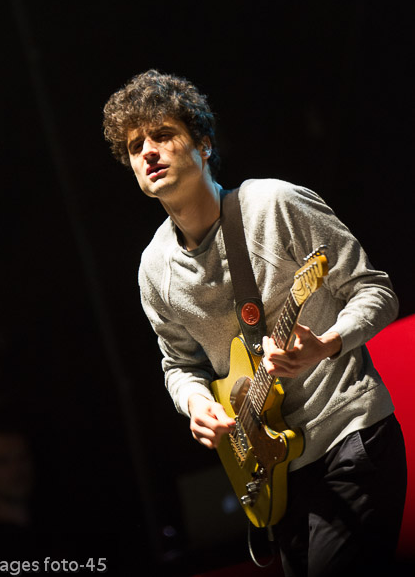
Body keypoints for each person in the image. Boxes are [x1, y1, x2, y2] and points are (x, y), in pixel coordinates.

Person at [103, 69, 407, 576]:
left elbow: (375, 291)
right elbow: (178, 365)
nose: (148, 152)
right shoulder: (153, 269)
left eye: (162, 135)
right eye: (136, 146)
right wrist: (196, 403)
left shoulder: (275, 204)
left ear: (203, 144)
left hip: (349, 437)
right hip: (273, 471)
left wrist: (327, 343)